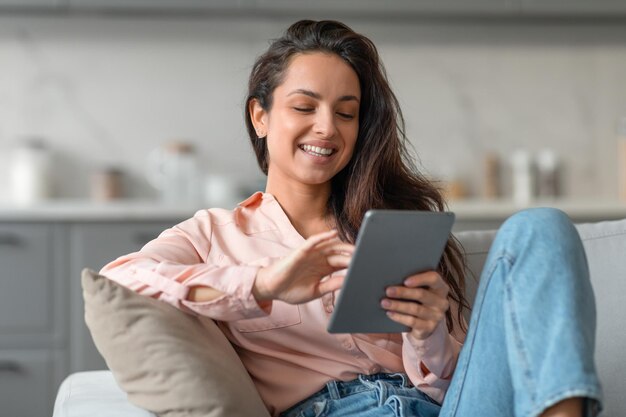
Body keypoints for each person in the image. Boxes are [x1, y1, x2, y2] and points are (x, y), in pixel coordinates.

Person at [101, 19, 603, 417]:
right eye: (305, 106)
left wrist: (426, 331)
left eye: (346, 112)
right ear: (260, 116)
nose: (327, 127)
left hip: (440, 410)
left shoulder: (391, 230)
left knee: (540, 226)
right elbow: (120, 280)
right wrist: (263, 284)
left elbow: (456, 385)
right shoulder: (215, 234)